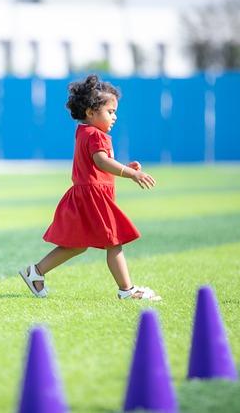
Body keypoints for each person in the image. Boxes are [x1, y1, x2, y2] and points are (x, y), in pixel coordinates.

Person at [19, 74, 161, 300]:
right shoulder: (96, 135)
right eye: (110, 112)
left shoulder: (85, 132)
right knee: (114, 242)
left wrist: (124, 167)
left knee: (78, 244)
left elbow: (100, 163)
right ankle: (127, 290)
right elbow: (101, 161)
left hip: (85, 196)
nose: (115, 117)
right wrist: (131, 173)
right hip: (94, 197)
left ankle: (36, 272)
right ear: (90, 112)